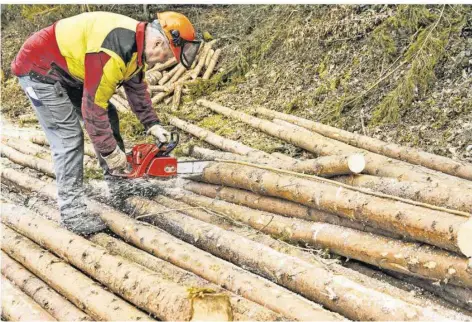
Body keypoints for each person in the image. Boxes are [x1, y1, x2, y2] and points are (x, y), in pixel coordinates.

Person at [11, 11, 201, 235]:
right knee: (68, 136)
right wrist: (111, 153)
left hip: (68, 70)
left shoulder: (136, 47)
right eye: (166, 55)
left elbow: (137, 88)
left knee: (109, 115)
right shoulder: (113, 51)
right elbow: (93, 110)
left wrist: (153, 124)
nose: (163, 60)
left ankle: (119, 185)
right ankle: (71, 211)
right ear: (159, 42)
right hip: (39, 68)